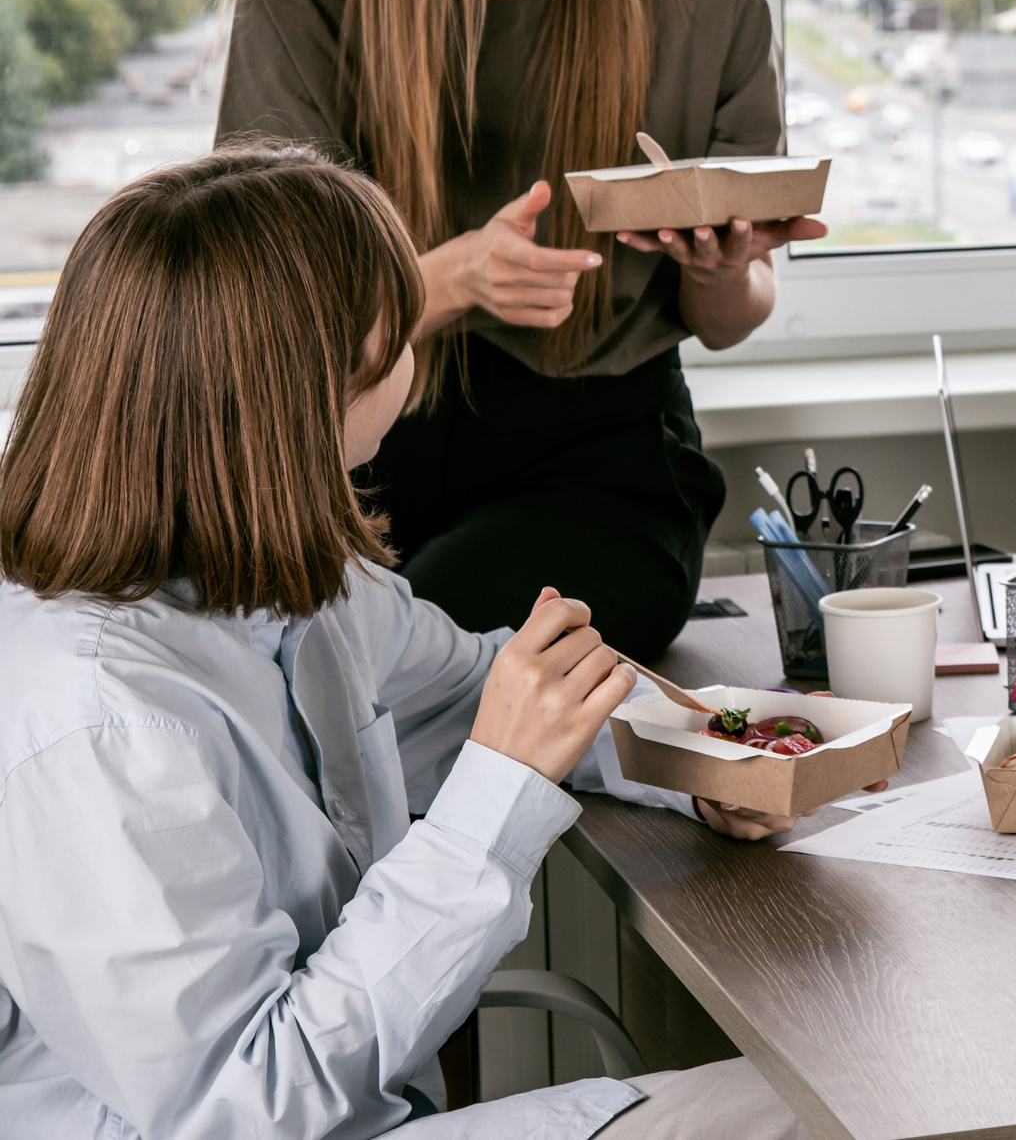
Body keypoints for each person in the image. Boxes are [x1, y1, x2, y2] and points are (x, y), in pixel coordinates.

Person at [0, 146, 821, 1139]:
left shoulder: (305, 588)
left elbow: (494, 695)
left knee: (831, 1095)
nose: (416, 365)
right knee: (838, 1108)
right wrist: (499, 791)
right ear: (306, 388)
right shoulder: (94, 718)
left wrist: (721, 756)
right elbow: (245, 1106)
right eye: (398, 336)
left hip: (359, 1109)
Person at [216, 0, 821, 661]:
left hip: (602, 465)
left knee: (407, 659)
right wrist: (449, 282)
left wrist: (723, 267)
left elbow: (724, 319)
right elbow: (261, 335)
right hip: (348, 458)